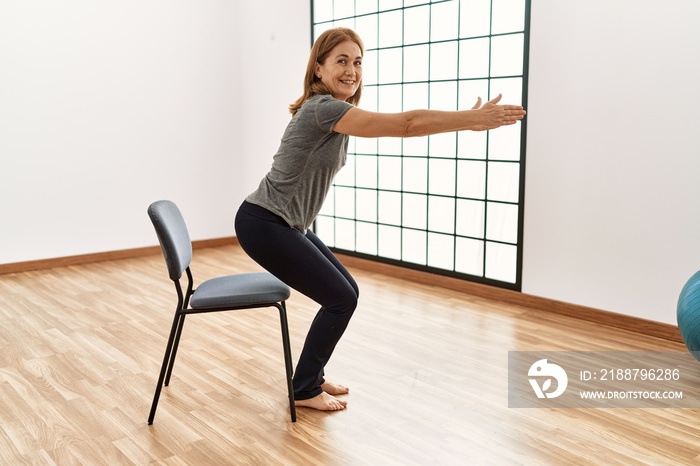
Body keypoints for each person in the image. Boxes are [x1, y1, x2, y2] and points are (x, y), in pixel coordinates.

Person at [234, 28, 526, 412]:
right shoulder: (323, 110)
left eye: (357, 62)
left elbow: (403, 125)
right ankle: (303, 389)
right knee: (339, 299)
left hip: (284, 224)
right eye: (341, 60)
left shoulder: (333, 113)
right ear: (318, 68)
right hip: (265, 223)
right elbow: (405, 125)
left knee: (347, 293)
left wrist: (467, 120)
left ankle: (312, 376)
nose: (352, 70)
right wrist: (469, 118)